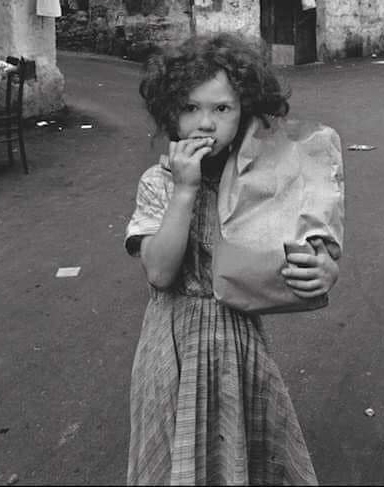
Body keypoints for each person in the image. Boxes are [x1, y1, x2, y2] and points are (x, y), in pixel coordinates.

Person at [124, 32, 341, 486]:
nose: (205, 123)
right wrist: (184, 190)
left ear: (245, 112)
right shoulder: (158, 182)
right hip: (173, 350)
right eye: (190, 108)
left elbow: (299, 248)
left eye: (221, 109)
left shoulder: (261, 182)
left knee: (245, 457)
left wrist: (324, 271)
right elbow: (161, 272)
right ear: (171, 113)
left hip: (239, 345)